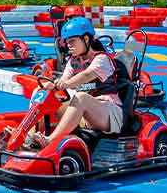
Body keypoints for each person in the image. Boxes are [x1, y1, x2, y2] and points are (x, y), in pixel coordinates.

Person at [35, 17, 124, 147]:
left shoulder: (101, 59)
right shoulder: (73, 61)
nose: (68, 45)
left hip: (109, 112)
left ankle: (49, 140)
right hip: (84, 111)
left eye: (72, 41)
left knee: (81, 97)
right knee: (42, 93)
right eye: (67, 42)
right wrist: (52, 86)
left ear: (86, 39)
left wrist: (67, 84)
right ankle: (28, 136)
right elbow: (64, 79)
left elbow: (86, 74)